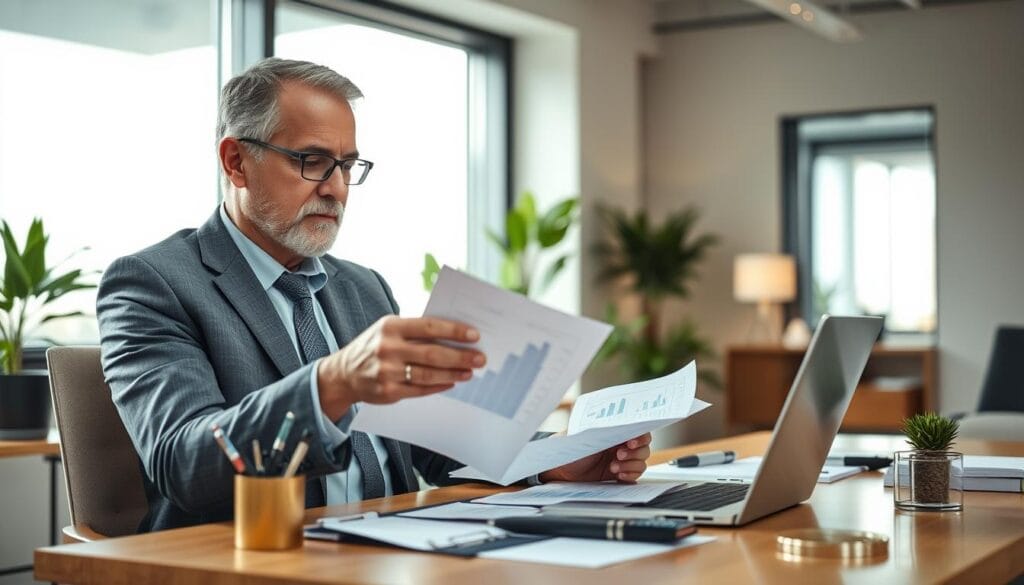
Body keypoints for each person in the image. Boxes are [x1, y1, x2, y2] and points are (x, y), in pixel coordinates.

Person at [97, 58, 651, 532]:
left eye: (346, 165)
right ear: (236, 162)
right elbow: (183, 463)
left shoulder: (362, 287)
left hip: (393, 549)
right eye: (311, 161)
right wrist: (333, 383)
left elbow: (432, 446)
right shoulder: (154, 283)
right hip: (256, 563)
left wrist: (552, 463)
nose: (336, 187)